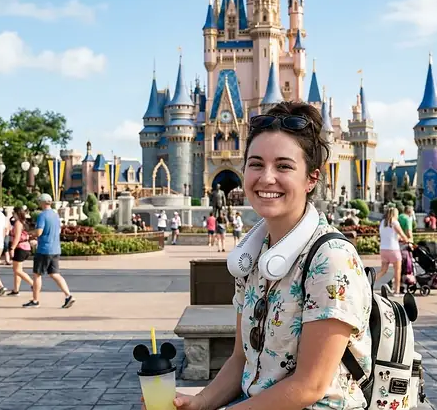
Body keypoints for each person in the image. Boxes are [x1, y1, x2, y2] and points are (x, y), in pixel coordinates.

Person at [151, 101, 372, 409]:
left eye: (284, 166)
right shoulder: (252, 256)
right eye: (256, 164)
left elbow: (310, 386)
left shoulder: (330, 260)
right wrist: (199, 403)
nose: (266, 177)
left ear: (311, 179)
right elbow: (242, 359)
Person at [25, 193, 75, 309]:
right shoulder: (55, 215)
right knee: (55, 274)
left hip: (44, 249)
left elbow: (39, 232)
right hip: (55, 248)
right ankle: (68, 295)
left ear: (42, 203)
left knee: (37, 274)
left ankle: (35, 300)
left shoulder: (42, 215)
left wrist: (30, 233)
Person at [375, 206, 411, 297]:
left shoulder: (383, 223)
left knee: (383, 270)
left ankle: (369, 282)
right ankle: (397, 291)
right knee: (397, 271)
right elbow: (402, 235)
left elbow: (388, 235)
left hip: (383, 249)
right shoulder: (395, 223)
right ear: (395, 214)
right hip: (393, 249)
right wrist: (407, 240)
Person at [8, 206, 35, 296]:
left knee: (17, 270)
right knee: (18, 270)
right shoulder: (23, 222)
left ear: (17, 213)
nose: (12, 215)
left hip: (20, 247)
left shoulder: (18, 223)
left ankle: (33, 284)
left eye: (13, 213)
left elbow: (17, 237)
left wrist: (12, 248)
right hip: (25, 247)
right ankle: (16, 290)